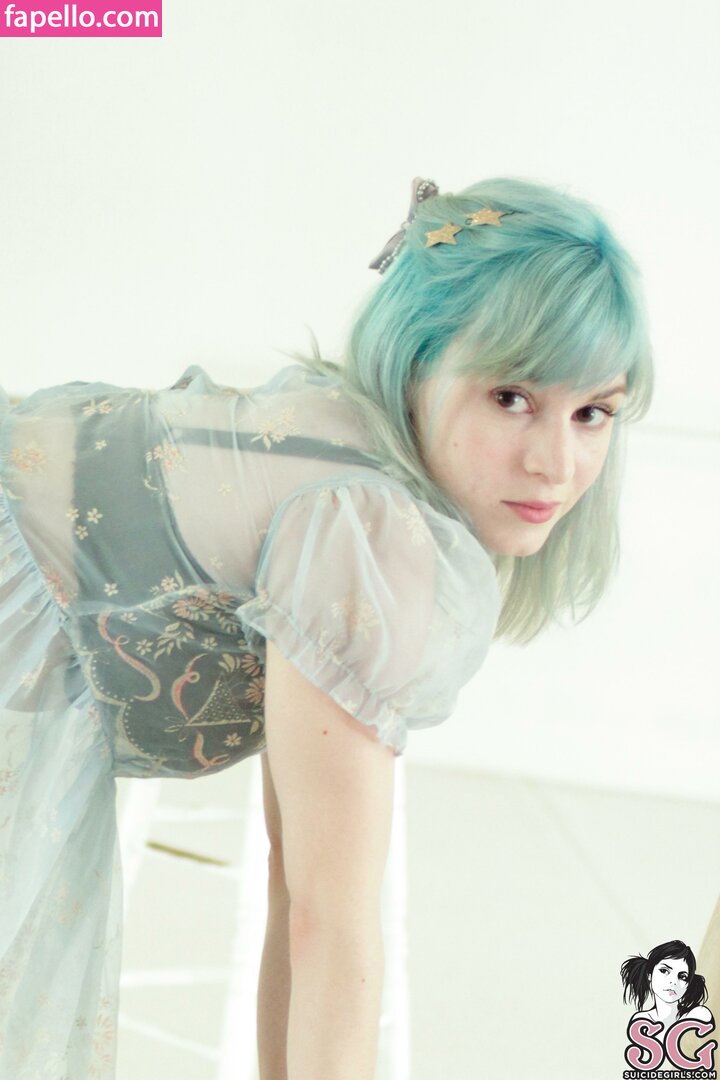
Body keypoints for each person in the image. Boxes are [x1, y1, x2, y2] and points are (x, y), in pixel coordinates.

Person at [0, 173, 657, 1078]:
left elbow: (302, 893)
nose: (557, 462)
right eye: (511, 397)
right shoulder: (367, 528)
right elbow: (328, 922)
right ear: (416, 365)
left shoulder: (335, 445)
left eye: (593, 413)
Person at [621, 940, 715, 1071]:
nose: (673, 982)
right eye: (664, 971)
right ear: (649, 975)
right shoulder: (641, 1021)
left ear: (688, 984)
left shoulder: (699, 1015)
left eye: (682, 977)